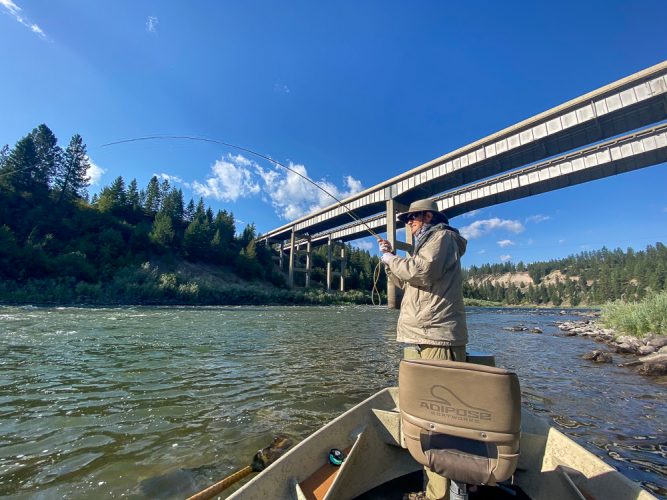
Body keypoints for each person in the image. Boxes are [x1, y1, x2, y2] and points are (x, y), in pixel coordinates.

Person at [378, 198, 468, 500]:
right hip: (424, 336)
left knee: (440, 422)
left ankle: (440, 495)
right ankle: (438, 491)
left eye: (412, 218)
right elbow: (410, 279)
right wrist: (390, 259)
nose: (407, 224)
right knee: (428, 417)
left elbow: (423, 271)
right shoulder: (426, 244)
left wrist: (393, 261)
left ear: (428, 216)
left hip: (437, 338)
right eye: (405, 219)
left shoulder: (442, 237)